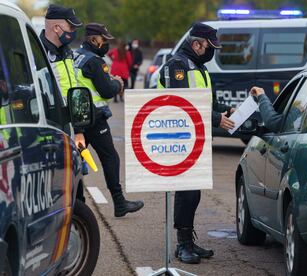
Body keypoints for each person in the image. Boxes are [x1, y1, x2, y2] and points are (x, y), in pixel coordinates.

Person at [158, 22, 235, 264]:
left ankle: (188, 241)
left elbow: (207, 102)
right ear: (196, 44)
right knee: (186, 193)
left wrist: (227, 110)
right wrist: (216, 119)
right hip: (180, 139)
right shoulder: (177, 66)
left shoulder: (198, 67)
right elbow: (180, 104)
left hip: (197, 138)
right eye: (209, 46)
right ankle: (182, 246)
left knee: (194, 193)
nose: (212, 51)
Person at [73, 23, 144, 217]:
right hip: (95, 119)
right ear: (93, 39)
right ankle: (119, 203)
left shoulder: (76, 56)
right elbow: (106, 90)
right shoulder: (95, 61)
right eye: (104, 40)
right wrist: (117, 83)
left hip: (78, 117)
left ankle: (77, 203)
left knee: (75, 162)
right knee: (110, 157)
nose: (106, 45)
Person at [40, 4, 83, 99]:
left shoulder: (68, 51)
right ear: (56, 28)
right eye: (71, 27)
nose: (74, 31)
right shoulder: (38, 52)